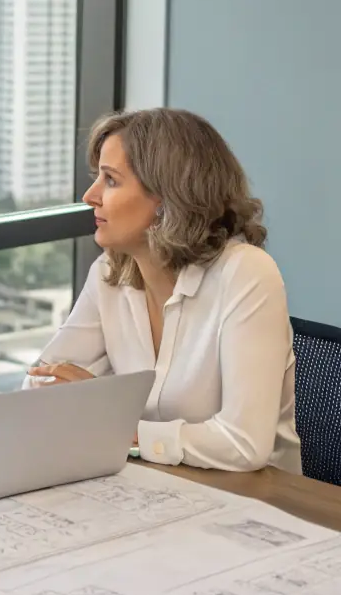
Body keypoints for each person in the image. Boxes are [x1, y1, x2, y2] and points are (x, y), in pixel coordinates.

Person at [28, 108, 300, 473]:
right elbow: (38, 386)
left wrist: (108, 418)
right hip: (153, 487)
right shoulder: (109, 273)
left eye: (110, 180)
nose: (89, 196)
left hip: (256, 503)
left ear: (167, 198)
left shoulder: (246, 273)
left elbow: (243, 445)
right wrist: (95, 411)